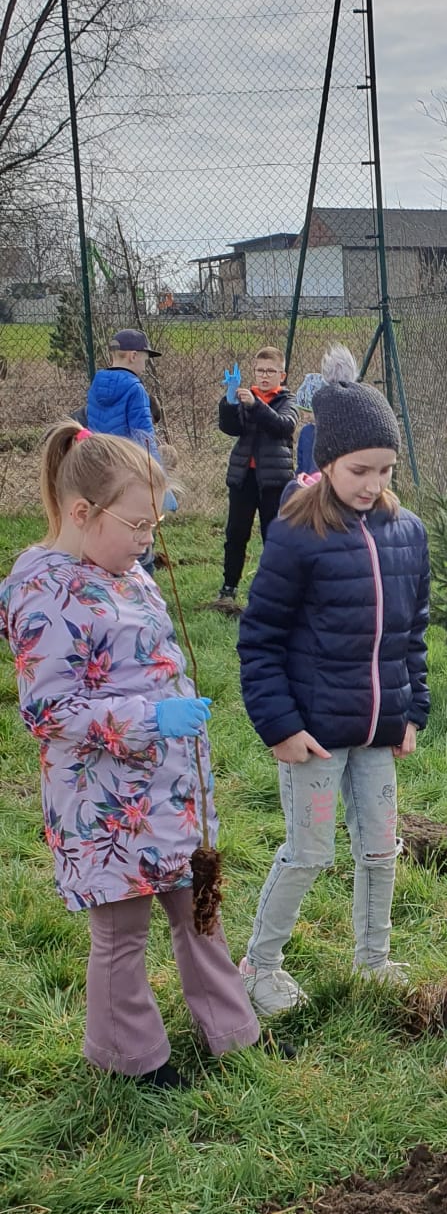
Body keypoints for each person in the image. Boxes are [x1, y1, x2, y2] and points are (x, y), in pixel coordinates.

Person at [0, 420, 264, 1090]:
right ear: (83, 514)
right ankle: (131, 1058)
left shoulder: (125, 570)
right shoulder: (44, 593)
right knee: (121, 933)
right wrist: (153, 716)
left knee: (199, 909)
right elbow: (48, 710)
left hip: (168, 791)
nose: (149, 542)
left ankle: (233, 1035)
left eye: (155, 525)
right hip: (106, 808)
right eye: (138, 526)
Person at [237, 347, 429, 1014]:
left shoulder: (409, 533)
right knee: (310, 851)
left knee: (380, 850)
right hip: (314, 737)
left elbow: (413, 633)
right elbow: (259, 638)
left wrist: (412, 712)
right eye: (359, 470)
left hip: (378, 734)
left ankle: (373, 960)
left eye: (385, 469)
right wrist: (280, 725)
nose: (372, 483)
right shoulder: (297, 533)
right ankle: (258, 966)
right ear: (325, 464)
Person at [85, 329, 173, 574]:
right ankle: (141, 594)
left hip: (101, 472)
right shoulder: (136, 390)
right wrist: (158, 481)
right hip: (130, 474)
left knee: (110, 529)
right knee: (140, 536)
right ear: (133, 356)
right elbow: (144, 438)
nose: (146, 364)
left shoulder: (96, 385)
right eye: (145, 357)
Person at [217, 346, 296, 603]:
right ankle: (229, 588)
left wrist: (257, 405)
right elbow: (231, 428)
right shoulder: (245, 396)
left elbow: (283, 426)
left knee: (273, 535)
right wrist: (229, 401)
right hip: (243, 477)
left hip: (275, 480)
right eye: (260, 370)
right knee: (236, 534)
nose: (264, 376)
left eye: (270, 371)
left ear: (281, 375)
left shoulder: (287, 400)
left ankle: (276, 590)